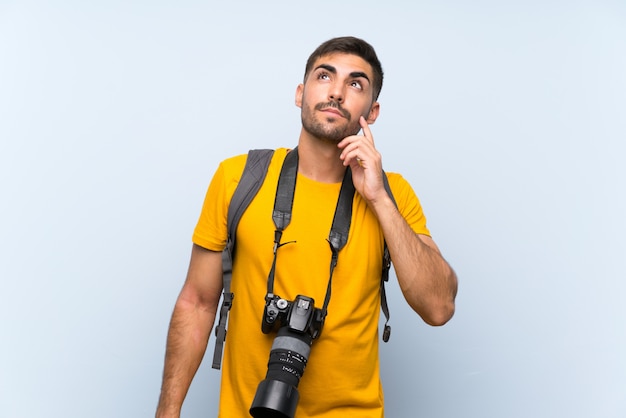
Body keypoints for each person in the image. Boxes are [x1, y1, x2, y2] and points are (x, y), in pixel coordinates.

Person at [156, 36, 458, 418]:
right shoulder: (239, 179)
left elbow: (439, 307)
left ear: (373, 111)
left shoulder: (393, 194)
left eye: (355, 84)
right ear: (300, 93)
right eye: (324, 76)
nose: (336, 92)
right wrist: (167, 412)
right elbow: (197, 302)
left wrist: (378, 198)